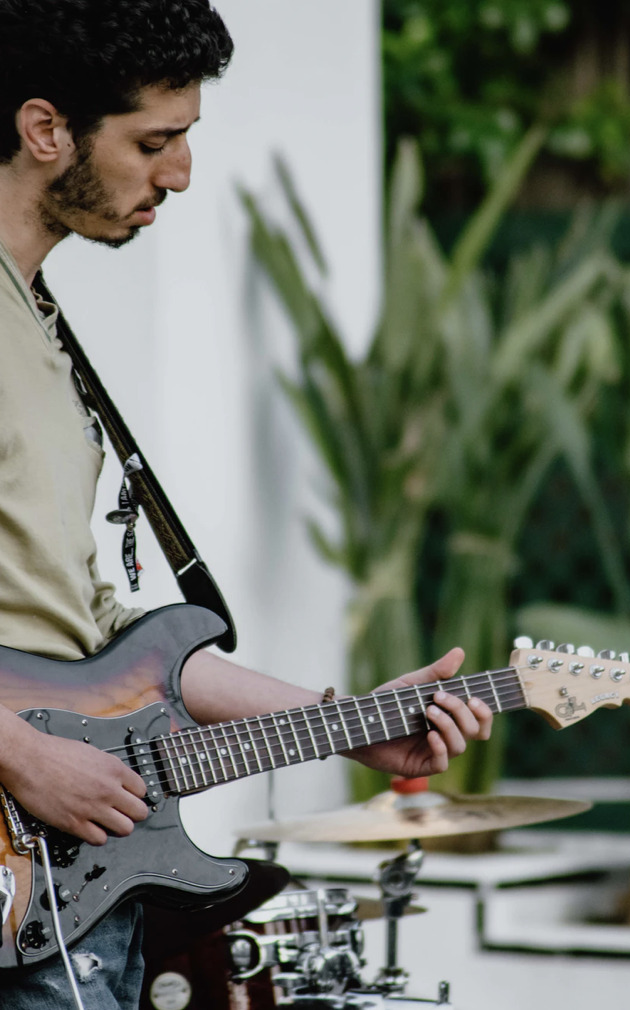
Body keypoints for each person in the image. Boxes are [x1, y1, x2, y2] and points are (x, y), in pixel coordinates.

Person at [0, 1, 493, 1007]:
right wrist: (21, 752)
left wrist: (348, 722)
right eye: (155, 141)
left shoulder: (38, 324)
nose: (178, 174)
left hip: (69, 885)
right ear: (45, 130)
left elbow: (101, 635)